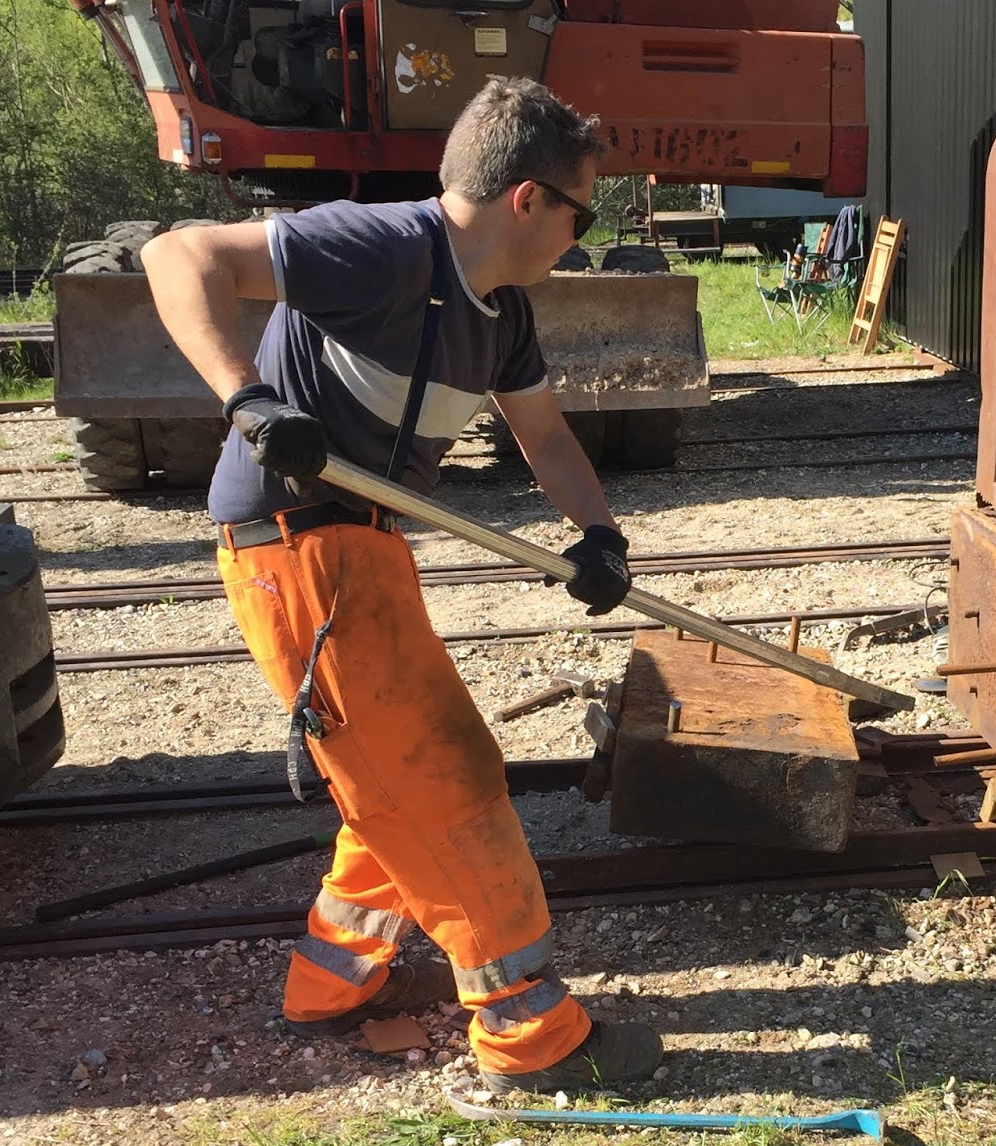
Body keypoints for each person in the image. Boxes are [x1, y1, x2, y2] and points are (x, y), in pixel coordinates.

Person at [140, 77, 663, 1093]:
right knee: (449, 777)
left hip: (364, 547)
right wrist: (249, 400)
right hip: (296, 543)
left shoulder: (501, 316)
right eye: (582, 213)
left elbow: (545, 437)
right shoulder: (378, 246)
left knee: (390, 780)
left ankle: (330, 985)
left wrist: (599, 535)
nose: (580, 236)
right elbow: (180, 253)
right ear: (527, 199)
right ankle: (530, 1037)